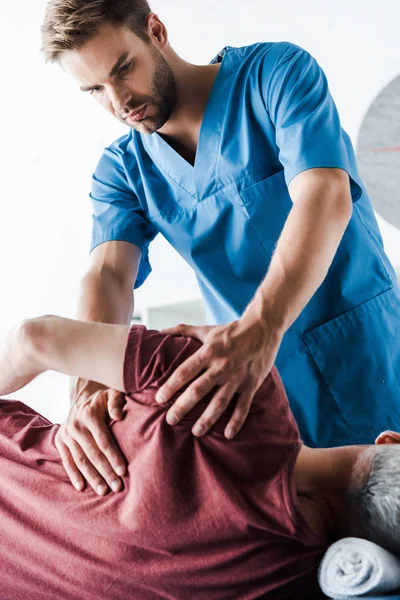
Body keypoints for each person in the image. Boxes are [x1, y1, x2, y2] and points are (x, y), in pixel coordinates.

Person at [39, 1, 400, 497]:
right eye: (95, 90)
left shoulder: (274, 75)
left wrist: (259, 330)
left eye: (123, 69)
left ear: (156, 30)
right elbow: (108, 275)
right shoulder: (123, 170)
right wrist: (87, 385)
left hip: (365, 354)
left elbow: (325, 195)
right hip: (255, 387)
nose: (119, 100)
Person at [0, 314, 400, 600]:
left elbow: (31, 340)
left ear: (390, 441)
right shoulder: (287, 583)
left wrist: (87, 397)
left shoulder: (237, 384)